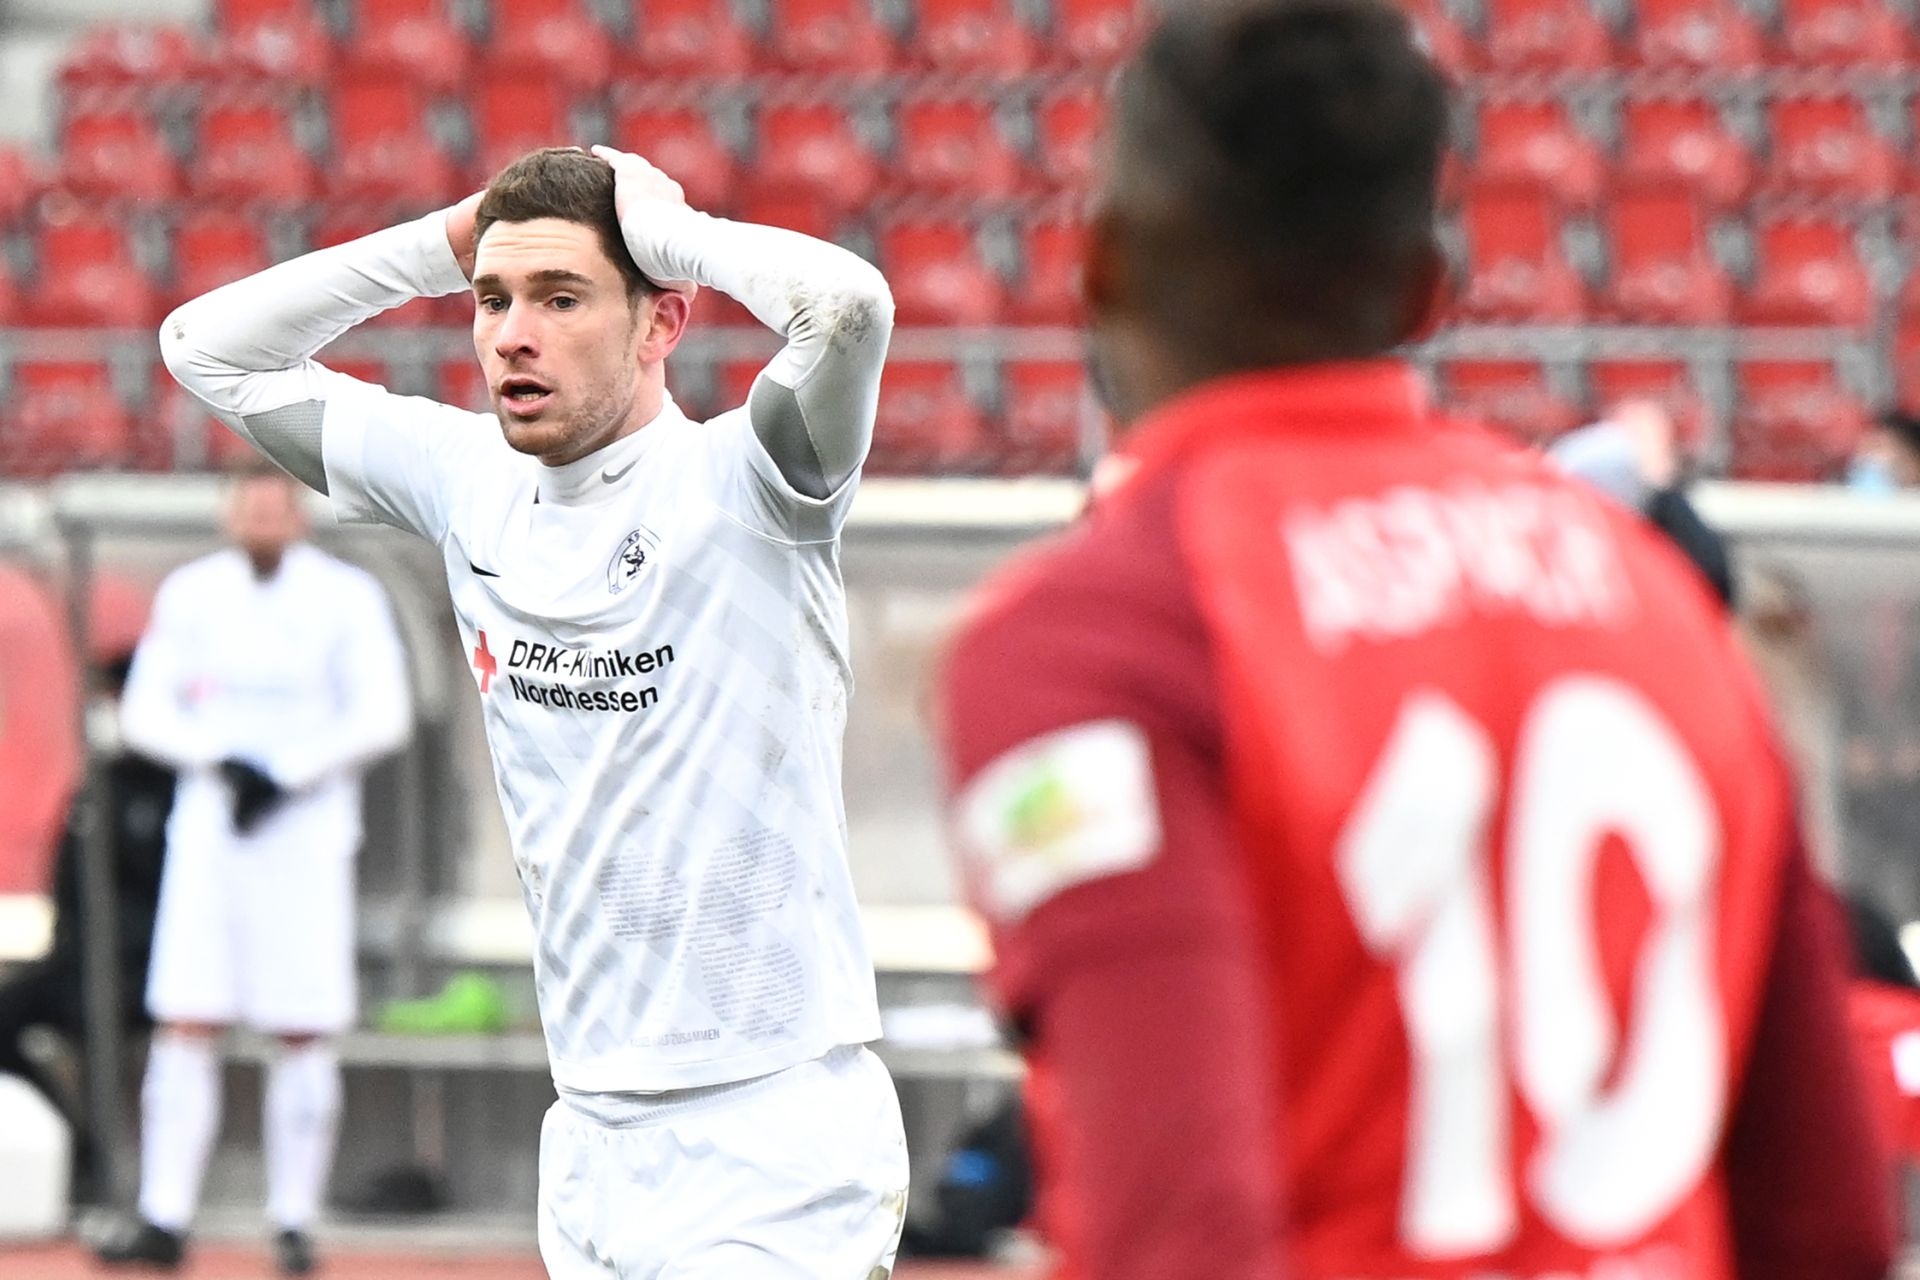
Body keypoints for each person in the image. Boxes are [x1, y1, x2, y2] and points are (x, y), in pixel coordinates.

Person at [935, 3, 1896, 1278]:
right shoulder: (1648, 588)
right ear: (1425, 289)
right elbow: (1826, 1220)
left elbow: (1177, 1236)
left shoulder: (1101, 632)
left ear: (1101, 263)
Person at [157, 145, 908, 1277]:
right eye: (493, 301)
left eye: (561, 299)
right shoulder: (466, 479)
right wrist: (443, 242)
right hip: (591, 1140)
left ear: (660, 323)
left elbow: (850, 307)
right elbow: (204, 346)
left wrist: (674, 234)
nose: (513, 334)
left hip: (773, 1127)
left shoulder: (750, 482)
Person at [96, 463, 412, 1275]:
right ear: (229, 515)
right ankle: (165, 1215)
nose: (262, 523)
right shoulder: (192, 595)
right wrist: (220, 759)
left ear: (299, 516)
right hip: (211, 837)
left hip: (305, 841)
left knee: (302, 1027)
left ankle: (294, 1220)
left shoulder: (347, 598)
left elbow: (383, 713)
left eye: (276, 509)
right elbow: (146, 711)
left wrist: (290, 773)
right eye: (250, 509)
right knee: (186, 1019)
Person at [0, 651, 174, 1207]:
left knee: (107, 1036)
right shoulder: (99, 786)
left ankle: (124, 1181)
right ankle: (79, 1150)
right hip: (78, 963)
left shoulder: (178, 790)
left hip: (146, 971)